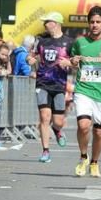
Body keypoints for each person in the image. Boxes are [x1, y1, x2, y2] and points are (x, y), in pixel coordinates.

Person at [69, 6, 101, 179]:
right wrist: (73, 61)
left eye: (98, 22)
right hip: (83, 89)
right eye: (92, 22)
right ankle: (83, 157)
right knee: (83, 125)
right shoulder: (80, 42)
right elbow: (73, 60)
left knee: (99, 132)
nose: (94, 25)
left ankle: (95, 162)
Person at [30, 12, 72, 163]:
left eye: (47, 22)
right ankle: (45, 151)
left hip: (59, 84)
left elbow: (76, 61)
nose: (44, 25)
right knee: (44, 117)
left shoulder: (69, 42)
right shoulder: (40, 40)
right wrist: (30, 59)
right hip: (43, 83)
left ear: (56, 23)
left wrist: (70, 63)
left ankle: (57, 130)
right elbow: (32, 55)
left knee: (58, 121)